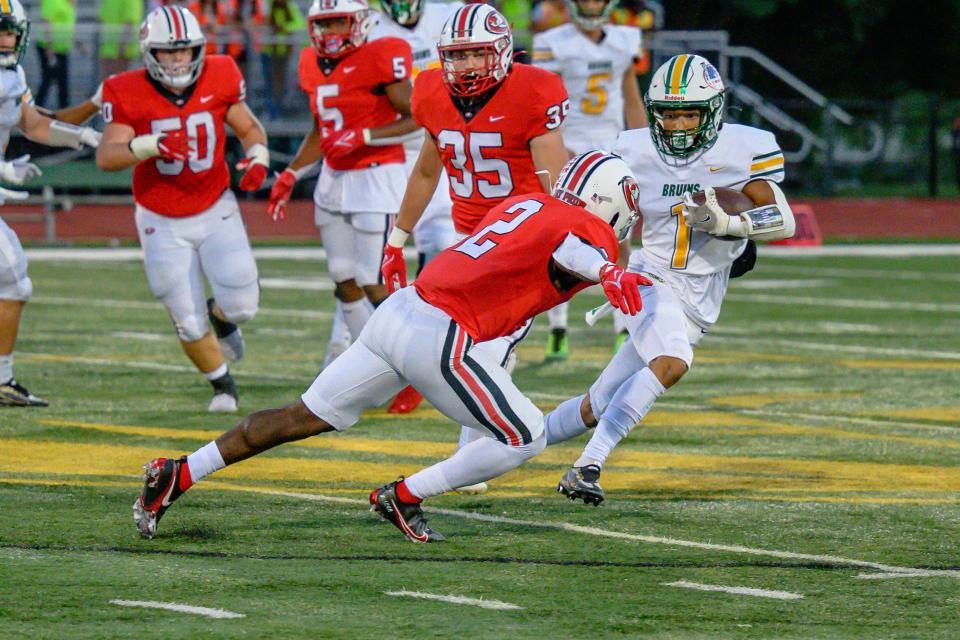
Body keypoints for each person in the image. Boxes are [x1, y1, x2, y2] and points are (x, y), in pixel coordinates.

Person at [133, 151, 650, 543]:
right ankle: (404, 496)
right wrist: (606, 268)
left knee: (300, 416)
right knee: (527, 436)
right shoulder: (585, 229)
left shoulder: (526, 203)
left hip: (398, 313)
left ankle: (179, 472)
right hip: (438, 332)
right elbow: (572, 248)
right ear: (610, 203)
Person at [545, 54, 796, 506]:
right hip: (653, 276)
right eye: (669, 113)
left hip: (702, 294)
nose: (678, 125)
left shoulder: (744, 148)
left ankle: (510, 445)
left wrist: (729, 224)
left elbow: (783, 219)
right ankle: (588, 465)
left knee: (594, 405)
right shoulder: (631, 149)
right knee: (673, 361)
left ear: (714, 111)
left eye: (689, 113)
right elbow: (590, 203)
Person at [379, 3, 571, 422]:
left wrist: (568, 248)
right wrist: (397, 239)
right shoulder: (430, 89)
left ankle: (489, 446)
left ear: (501, 51)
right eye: (457, 55)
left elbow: (555, 184)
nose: (466, 65)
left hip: (523, 240)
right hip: (470, 240)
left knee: (483, 348)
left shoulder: (534, 90)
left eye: (476, 53)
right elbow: (428, 171)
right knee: (448, 337)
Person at [96, 6, 271, 413]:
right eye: (167, 52)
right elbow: (107, 155)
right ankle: (222, 385)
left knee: (244, 305)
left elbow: (247, 126)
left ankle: (222, 315)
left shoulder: (222, 72)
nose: (178, 60)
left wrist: (258, 157)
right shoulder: (125, 89)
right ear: (148, 53)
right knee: (186, 317)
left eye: (185, 51)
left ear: (199, 49)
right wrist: (150, 145)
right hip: (160, 214)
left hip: (214, 204)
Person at [266, 0, 416, 367]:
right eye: (325, 24)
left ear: (361, 23)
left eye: (339, 23)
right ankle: (367, 366)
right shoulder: (309, 63)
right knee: (342, 277)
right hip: (333, 178)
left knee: (373, 278)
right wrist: (292, 173)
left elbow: (418, 117)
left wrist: (365, 134)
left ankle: (414, 358)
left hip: (375, 175)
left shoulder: (382, 55)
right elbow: (322, 130)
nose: (331, 33)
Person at [533, 0, 647, 361]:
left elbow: (631, 99)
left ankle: (622, 328)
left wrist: (643, 146)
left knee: (622, 238)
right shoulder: (552, 41)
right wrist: (554, 150)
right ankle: (558, 328)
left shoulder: (625, 39)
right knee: (559, 237)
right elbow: (542, 103)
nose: (591, 4)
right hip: (569, 148)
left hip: (612, 148)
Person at [0, 0, 101, 406]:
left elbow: (34, 123)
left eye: (9, 32)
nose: (5, 40)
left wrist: (81, 137)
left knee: (13, 279)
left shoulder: (12, 74)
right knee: (13, 276)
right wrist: (4, 171)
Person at [366, 0, 462, 413]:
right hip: (388, 154)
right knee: (363, 266)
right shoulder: (369, 28)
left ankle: (422, 361)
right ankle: (360, 356)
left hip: (446, 143)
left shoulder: (453, 14)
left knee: (441, 250)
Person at [35, 0, 75, 109]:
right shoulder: (52, 1)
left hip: (61, 49)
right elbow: (47, 22)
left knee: (61, 82)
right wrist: (49, 48)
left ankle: (63, 111)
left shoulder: (66, 4)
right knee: (48, 79)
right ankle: (37, 109)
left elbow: (67, 24)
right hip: (50, 48)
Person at [98, 0, 144, 79]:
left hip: (121, 53)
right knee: (108, 83)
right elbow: (102, 19)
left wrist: (121, 50)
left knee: (119, 82)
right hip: (108, 49)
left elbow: (130, 23)